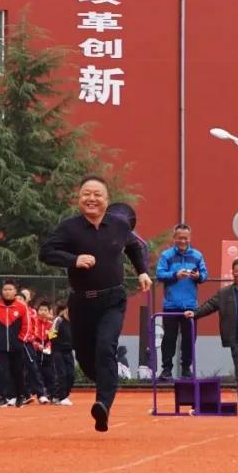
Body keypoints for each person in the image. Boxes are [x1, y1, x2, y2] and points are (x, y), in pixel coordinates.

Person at [39, 176, 152, 432]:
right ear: (79, 199)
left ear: (106, 200)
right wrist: (73, 259)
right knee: (87, 358)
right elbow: (46, 252)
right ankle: (106, 381)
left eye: (97, 194)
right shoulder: (69, 228)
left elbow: (134, 247)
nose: (91, 198)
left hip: (112, 299)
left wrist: (142, 271)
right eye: (86, 194)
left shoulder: (119, 226)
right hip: (81, 303)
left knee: (105, 346)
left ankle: (103, 404)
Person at [186, 258, 238, 416]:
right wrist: (195, 313)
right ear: (233, 273)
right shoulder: (225, 293)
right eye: (236, 271)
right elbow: (210, 305)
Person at [155, 224, 207, 380]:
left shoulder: (197, 256)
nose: (183, 241)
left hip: (191, 306)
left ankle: (186, 369)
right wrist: (175, 275)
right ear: (174, 238)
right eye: (180, 238)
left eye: (185, 238)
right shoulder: (166, 255)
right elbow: (159, 274)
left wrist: (198, 276)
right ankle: (166, 370)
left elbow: (204, 274)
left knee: (189, 339)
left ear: (190, 238)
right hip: (171, 305)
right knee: (168, 339)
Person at [0, 280, 29, 408]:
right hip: (0, 346)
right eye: (5, 289)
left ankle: (20, 396)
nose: (7, 292)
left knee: (18, 372)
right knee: (1, 372)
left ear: (15, 292)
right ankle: (1, 397)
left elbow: (27, 326)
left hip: (17, 346)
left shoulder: (21, 307)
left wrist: (21, 340)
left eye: (10, 289)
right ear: (1, 292)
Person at [49, 303, 75, 406]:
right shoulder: (58, 320)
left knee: (71, 375)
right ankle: (62, 396)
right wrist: (60, 344)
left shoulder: (74, 322)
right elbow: (51, 335)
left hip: (68, 352)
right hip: (58, 351)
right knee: (62, 374)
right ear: (65, 310)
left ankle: (61, 395)